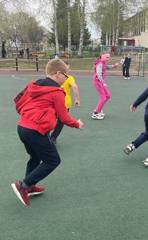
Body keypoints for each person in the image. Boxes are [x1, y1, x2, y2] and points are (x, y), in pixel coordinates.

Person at [11, 59, 84, 206]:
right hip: (35, 131)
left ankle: (29, 187)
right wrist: (77, 124)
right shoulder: (57, 92)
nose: (66, 78)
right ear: (57, 73)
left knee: (35, 157)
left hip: (22, 127)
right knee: (53, 160)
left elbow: (18, 100)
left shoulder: (34, 85)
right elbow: (63, 117)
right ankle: (24, 185)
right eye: (65, 74)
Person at [50, 64, 80, 144]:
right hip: (64, 103)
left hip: (53, 102)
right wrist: (77, 99)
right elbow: (75, 87)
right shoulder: (69, 78)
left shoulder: (53, 77)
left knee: (50, 119)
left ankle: (46, 136)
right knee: (61, 121)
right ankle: (53, 138)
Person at [92, 53, 119, 120]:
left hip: (101, 82)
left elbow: (107, 67)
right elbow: (98, 74)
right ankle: (96, 113)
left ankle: (98, 109)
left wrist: (114, 66)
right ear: (102, 56)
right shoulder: (100, 64)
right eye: (107, 57)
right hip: (98, 82)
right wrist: (103, 83)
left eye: (109, 57)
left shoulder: (103, 63)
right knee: (103, 98)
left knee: (108, 95)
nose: (108, 59)